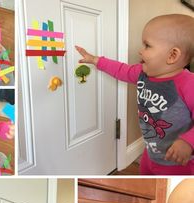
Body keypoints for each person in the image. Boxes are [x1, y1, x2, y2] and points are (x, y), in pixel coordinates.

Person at [76, 14, 194, 175]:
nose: (140, 51)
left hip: (179, 164)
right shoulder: (142, 73)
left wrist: (188, 142)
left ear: (172, 55)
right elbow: (121, 70)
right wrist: (96, 60)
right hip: (150, 153)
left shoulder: (189, 84)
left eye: (147, 45)